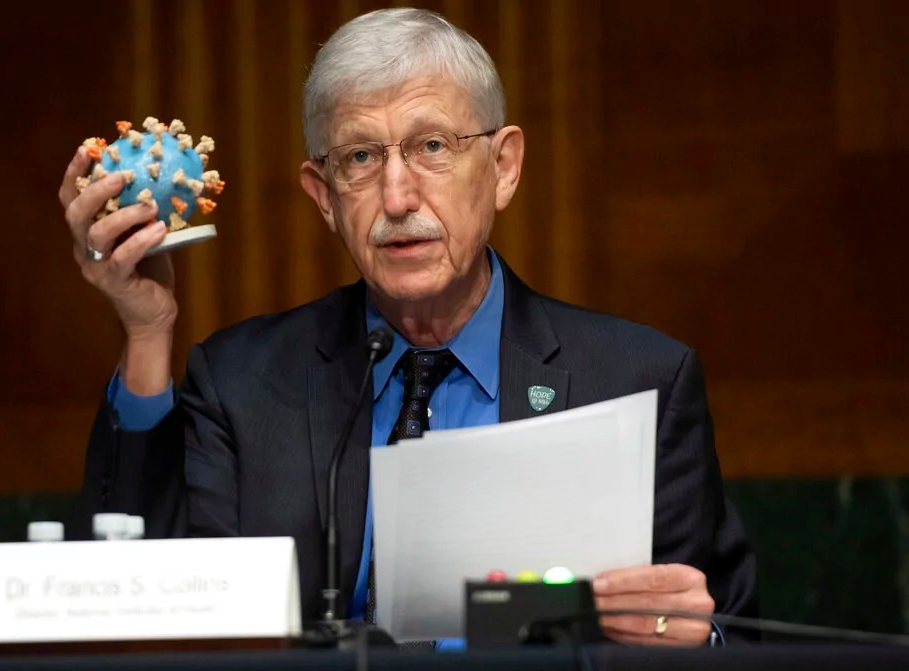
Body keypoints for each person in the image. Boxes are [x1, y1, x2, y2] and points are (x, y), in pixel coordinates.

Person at [59, 7, 755, 647]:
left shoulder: (636, 381)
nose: (397, 197)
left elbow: (735, 630)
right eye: (360, 158)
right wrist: (148, 333)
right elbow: (142, 612)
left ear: (503, 167)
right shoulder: (242, 383)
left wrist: (695, 639)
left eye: (431, 146)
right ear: (324, 197)